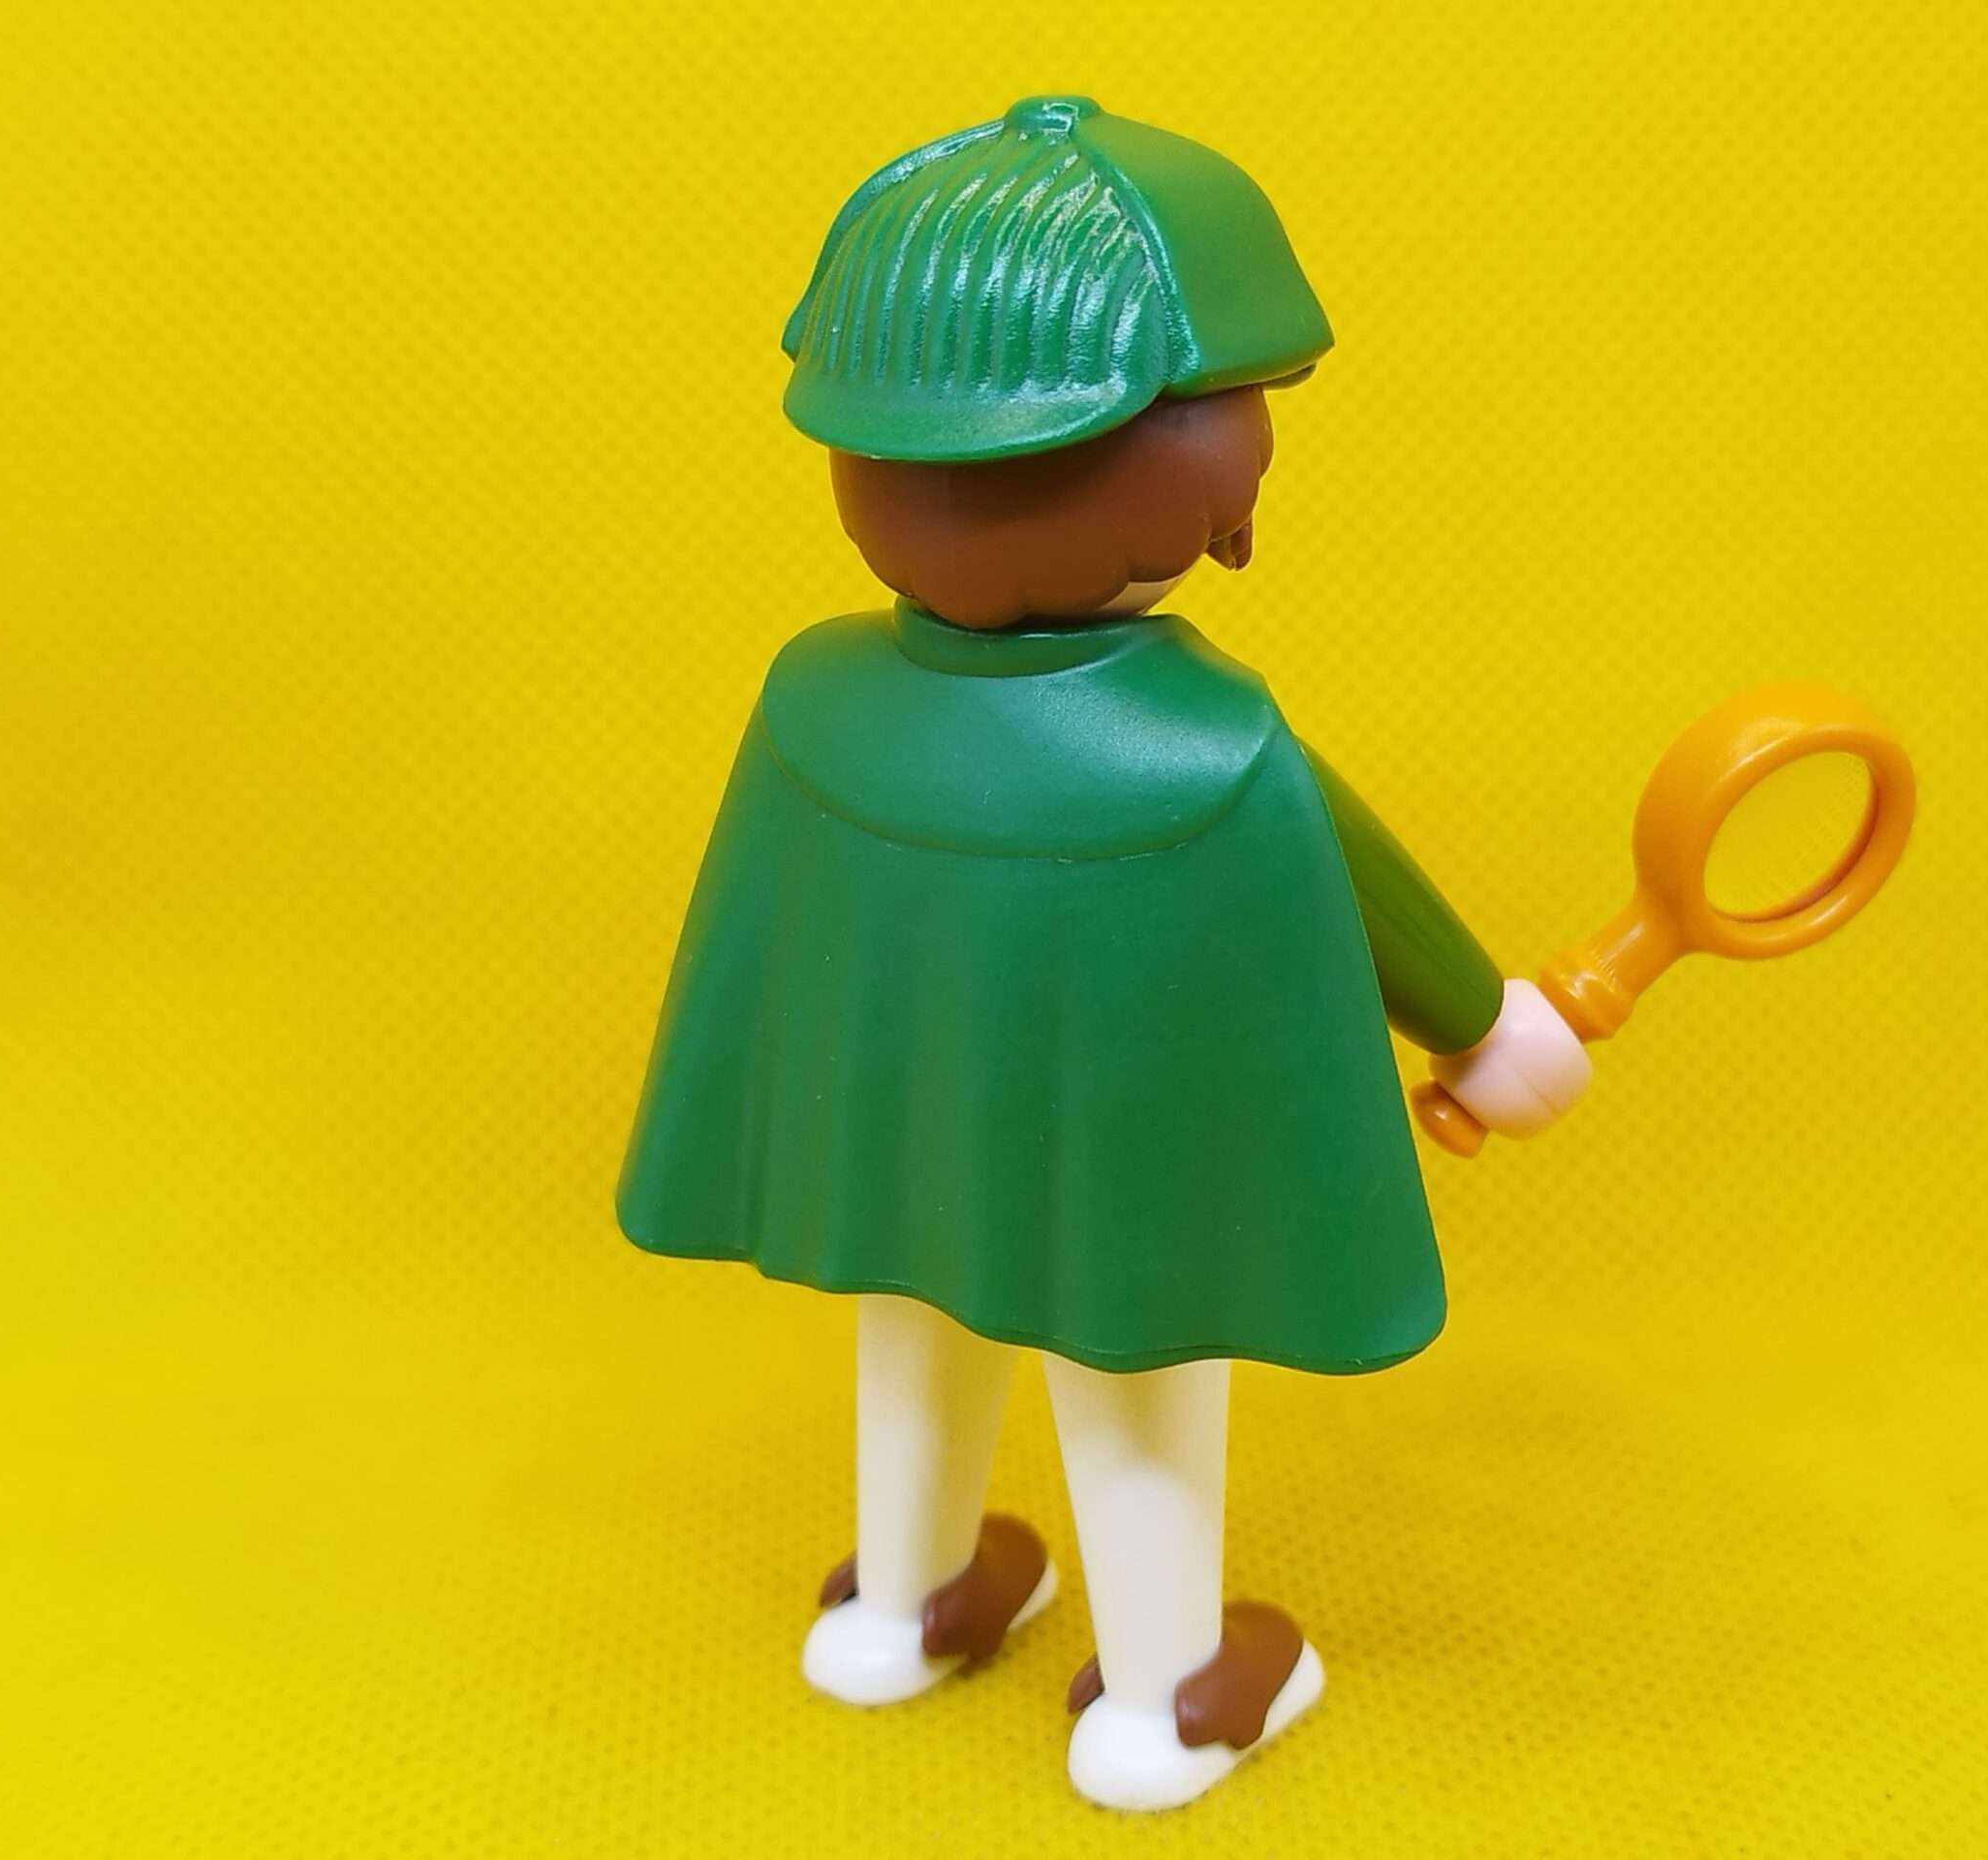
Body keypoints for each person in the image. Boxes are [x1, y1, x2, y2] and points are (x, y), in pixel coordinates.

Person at [617, 95, 1590, 1811]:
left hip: (900, 1150)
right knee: (1131, 1369)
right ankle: (1166, 1697)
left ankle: (902, 1609)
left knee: (912, 1322)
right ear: (1183, 477)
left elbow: (770, 954)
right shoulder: (1206, 741)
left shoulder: (814, 702)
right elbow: (1378, 906)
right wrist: (1487, 1032)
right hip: (1112, 1176)